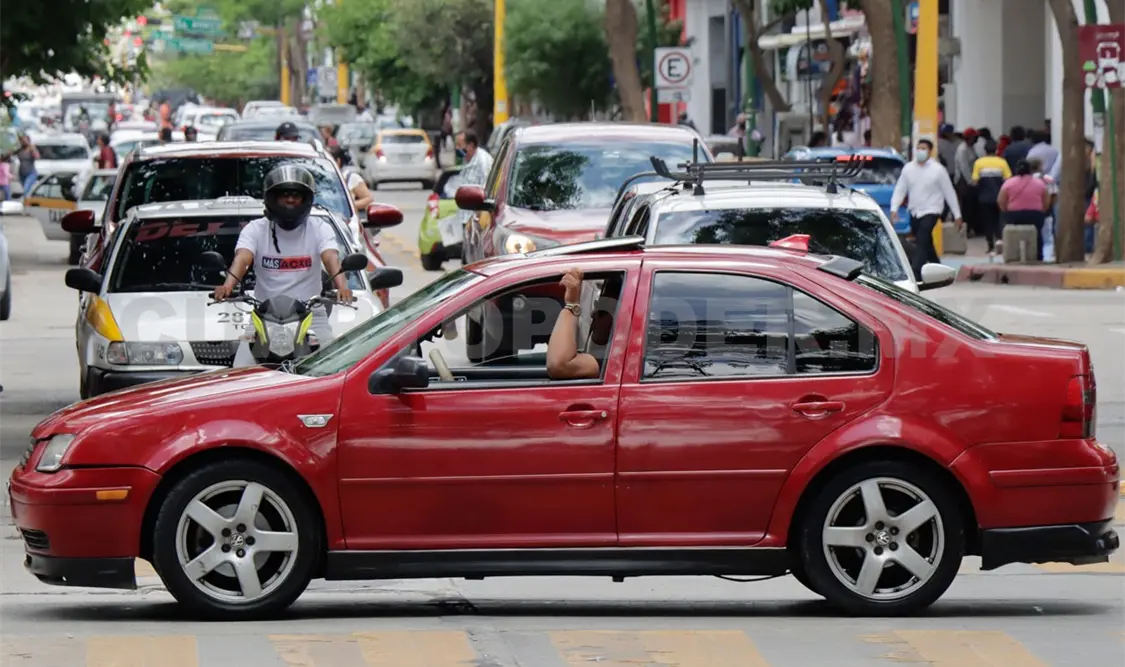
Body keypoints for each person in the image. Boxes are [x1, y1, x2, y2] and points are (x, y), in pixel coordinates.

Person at [212, 165, 353, 346]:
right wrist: (228, 285)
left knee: (329, 358)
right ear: (272, 198)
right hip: (264, 315)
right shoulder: (255, 229)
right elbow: (243, 258)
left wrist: (342, 287)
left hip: (311, 315)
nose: (290, 200)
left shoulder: (320, 228)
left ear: (306, 199)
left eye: (296, 195)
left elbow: (330, 257)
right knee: (243, 360)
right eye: (284, 195)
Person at [890, 138, 963, 280]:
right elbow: (900, 189)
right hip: (915, 211)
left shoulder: (938, 170)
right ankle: (938, 267)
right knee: (926, 241)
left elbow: (949, 192)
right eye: (919, 148)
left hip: (932, 210)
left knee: (922, 239)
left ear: (930, 151)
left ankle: (916, 271)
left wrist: (957, 215)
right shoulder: (908, 169)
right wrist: (894, 208)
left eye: (924, 149)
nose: (920, 151)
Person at [546, 267, 616, 380]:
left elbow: (560, 365)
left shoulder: (615, 361)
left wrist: (572, 305)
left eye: (602, 311)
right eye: (596, 307)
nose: (593, 315)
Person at [998, 159, 1051, 262]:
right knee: (1037, 234)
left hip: (1014, 215)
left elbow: (1001, 200)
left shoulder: (1008, 183)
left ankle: (1012, 254)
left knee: (1009, 229)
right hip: (1035, 215)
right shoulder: (1039, 183)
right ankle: (1038, 256)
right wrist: (1041, 210)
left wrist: (1006, 210)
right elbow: (1046, 201)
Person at [971, 139, 1011, 255]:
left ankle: (990, 245)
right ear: (996, 150)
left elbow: (974, 181)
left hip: (984, 197)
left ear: (985, 150)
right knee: (1000, 220)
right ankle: (999, 241)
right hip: (1000, 197)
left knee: (987, 221)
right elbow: (1008, 180)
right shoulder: (1002, 162)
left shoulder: (979, 163)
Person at [954, 128, 980, 235]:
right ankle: (966, 229)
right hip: (963, 181)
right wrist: (970, 181)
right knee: (965, 206)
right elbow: (964, 167)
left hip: (971, 179)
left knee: (971, 206)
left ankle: (971, 228)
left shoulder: (971, 147)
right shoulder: (962, 150)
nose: (976, 140)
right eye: (975, 138)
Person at [331, 146, 372, 210]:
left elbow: (368, 199)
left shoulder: (351, 178)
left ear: (338, 161)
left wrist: (349, 205)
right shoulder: (317, 179)